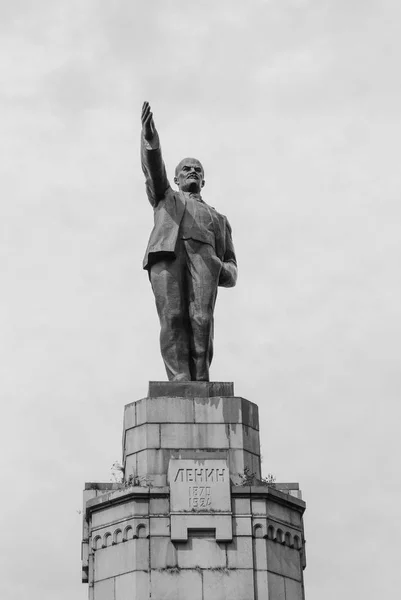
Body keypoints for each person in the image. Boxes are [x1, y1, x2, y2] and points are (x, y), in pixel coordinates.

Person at [141, 101, 237, 382]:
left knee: (202, 321)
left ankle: (200, 379)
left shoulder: (219, 220)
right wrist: (150, 140)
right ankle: (180, 379)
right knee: (172, 317)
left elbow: (232, 267)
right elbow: (154, 171)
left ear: (203, 181)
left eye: (197, 169)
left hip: (205, 261)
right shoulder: (165, 197)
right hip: (168, 255)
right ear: (176, 178)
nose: (192, 171)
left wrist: (220, 267)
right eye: (186, 169)